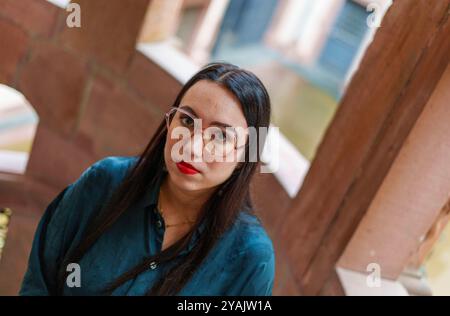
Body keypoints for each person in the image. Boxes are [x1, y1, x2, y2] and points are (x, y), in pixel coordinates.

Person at [20, 62, 275, 296]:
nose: (192, 147)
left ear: (246, 155)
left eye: (220, 136)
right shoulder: (104, 182)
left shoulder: (250, 258)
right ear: (169, 122)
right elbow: (38, 282)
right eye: (187, 120)